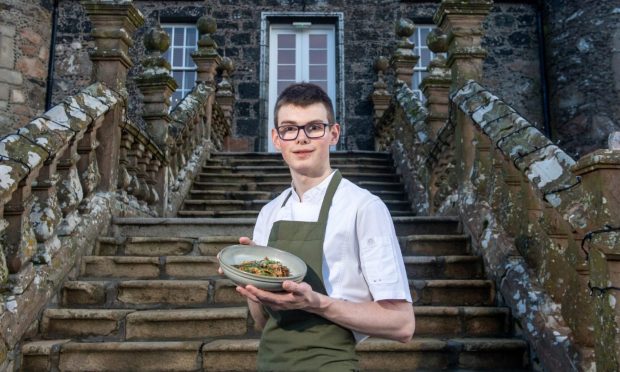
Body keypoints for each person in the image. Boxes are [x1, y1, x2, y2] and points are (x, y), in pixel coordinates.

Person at [235, 83, 414, 371]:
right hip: (270, 363)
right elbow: (261, 321)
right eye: (289, 129)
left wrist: (316, 302)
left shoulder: (364, 207)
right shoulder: (269, 213)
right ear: (276, 139)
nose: (301, 139)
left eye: (314, 127)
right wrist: (249, 282)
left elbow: (402, 324)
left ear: (333, 134)